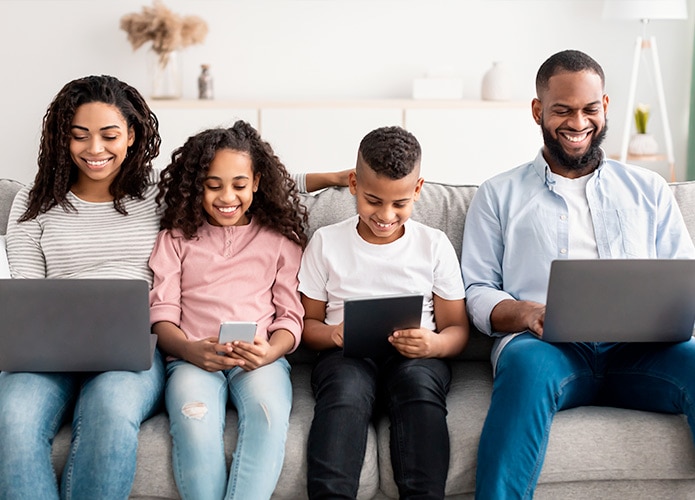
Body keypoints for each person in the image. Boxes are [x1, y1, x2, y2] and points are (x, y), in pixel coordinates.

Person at [460, 49, 695, 499]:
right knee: (525, 365)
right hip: (544, 349)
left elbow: (683, 276)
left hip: (640, 352)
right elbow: (476, 290)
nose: (578, 122)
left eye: (589, 109)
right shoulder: (498, 194)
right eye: (562, 110)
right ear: (538, 111)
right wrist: (527, 314)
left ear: (605, 107)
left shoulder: (649, 190)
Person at [0, 75, 165, 499]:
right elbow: (27, 293)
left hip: (132, 349)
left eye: (109, 135)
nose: (95, 149)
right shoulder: (35, 200)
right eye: (79, 136)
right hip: (47, 349)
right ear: (62, 138)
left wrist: (325, 176)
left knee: (111, 410)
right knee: (12, 418)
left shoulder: (162, 193)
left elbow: (240, 184)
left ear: (132, 134)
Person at [299, 126, 469, 499]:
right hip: (344, 356)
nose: (386, 215)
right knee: (345, 392)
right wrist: (333, 334)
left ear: (418, 190)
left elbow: (457, 329)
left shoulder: (434, 245)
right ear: (354, 184)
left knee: (418, 389)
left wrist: (435, 344)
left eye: (400, 204)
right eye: (374, 200)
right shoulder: (326, 242)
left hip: (416, 358)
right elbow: (307, 326)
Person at [149, 120, 306, 500]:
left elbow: (290, 318)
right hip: (191, 359)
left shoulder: (280, 242)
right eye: (213, 185)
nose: (227, 197)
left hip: (260, 359)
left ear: (256, 183)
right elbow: (162, 315)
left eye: (239, 185)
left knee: (268, 418)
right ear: (196, 186)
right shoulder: (174, 239)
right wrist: (188, 350)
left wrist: (271, 350)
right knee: (194, 421)